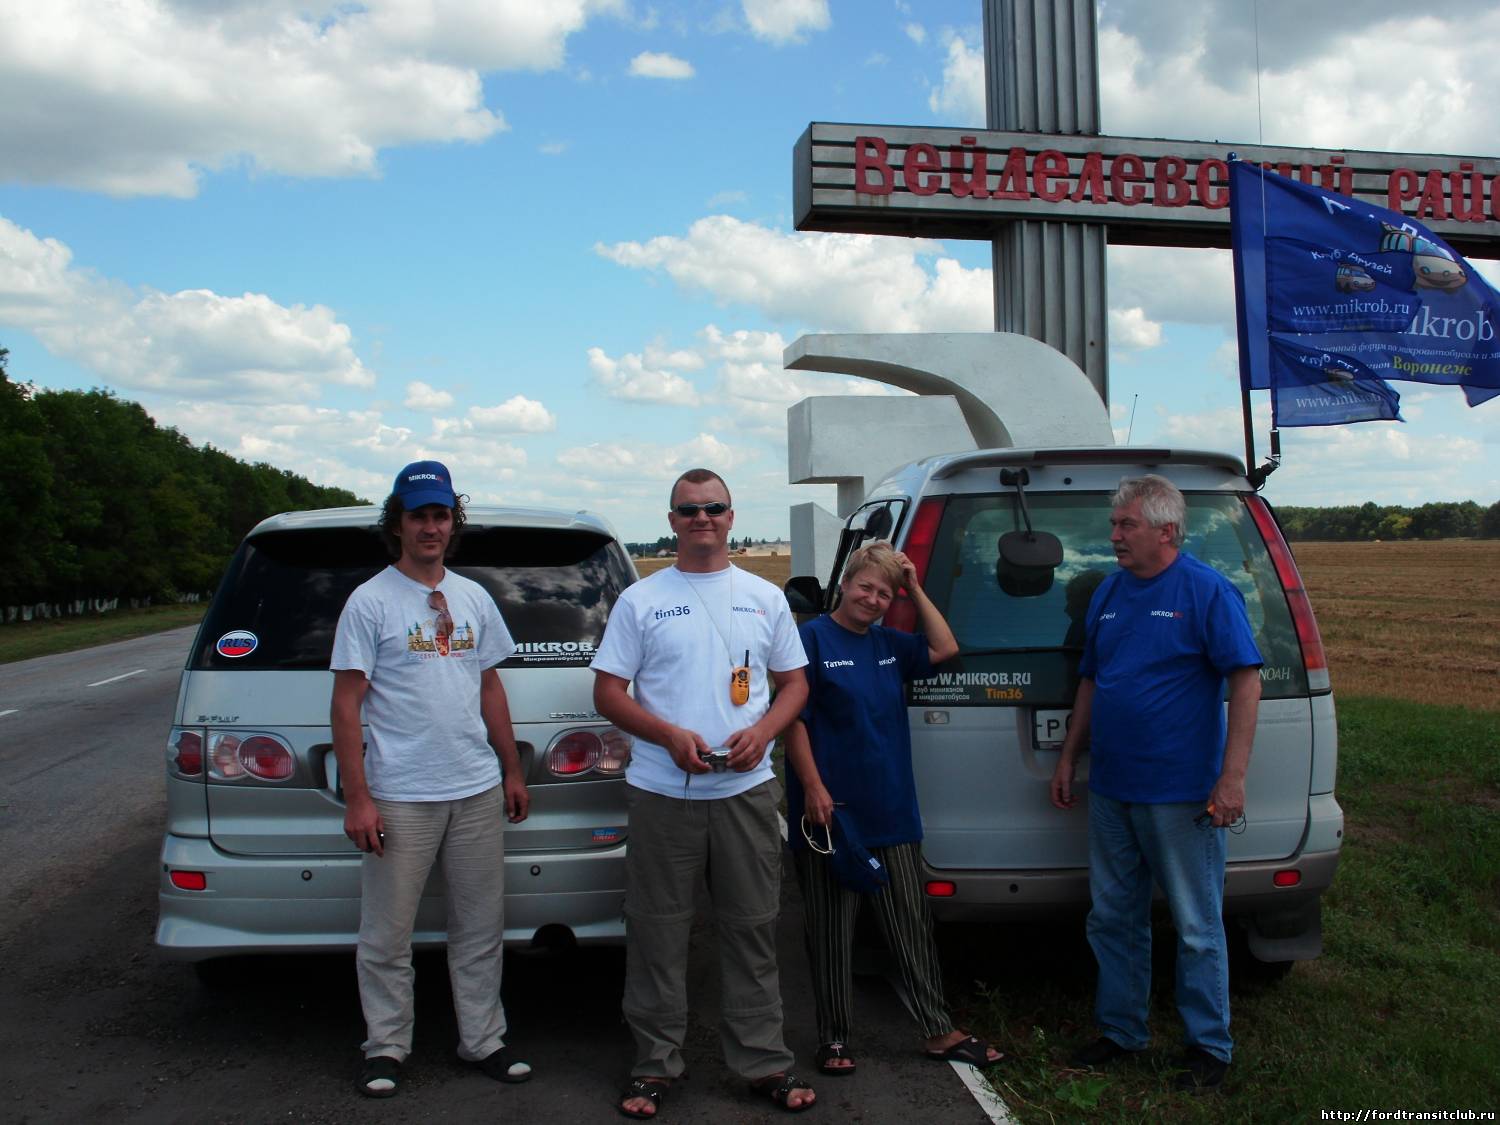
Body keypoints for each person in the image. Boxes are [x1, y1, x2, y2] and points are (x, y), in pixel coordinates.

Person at [592, 469, 816, 1118]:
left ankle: (764, 1061)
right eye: (689, 509)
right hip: (664, 792)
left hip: (746, 791)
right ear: (672, 520)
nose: (703, 518)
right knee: (658, 933)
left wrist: (763, 733)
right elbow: (607, 692)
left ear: (731, 515)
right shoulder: (641, 600)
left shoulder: (763, 597)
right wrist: (666, 734)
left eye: (714, 507)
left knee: (752, 929)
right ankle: (654, 1065)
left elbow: (795, 685)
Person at [1049, 474, 1262, 1094]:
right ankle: (1121, 1031)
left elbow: (1245, 681)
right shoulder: (1110, 592)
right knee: (1113, 916)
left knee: (1196, 926)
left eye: (1127, 526)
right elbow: (1092, 680)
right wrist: (1070, 757)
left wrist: (1232, 779)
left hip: (1181, 792)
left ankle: (1209, 1047)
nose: (1114, 536)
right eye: (1114, 525)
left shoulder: (1206, 591)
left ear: (1167, 531)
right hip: (1113, 787)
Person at [330, 460, 532, 1099]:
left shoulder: (473, 598)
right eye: (418, 515)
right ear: (397, 523)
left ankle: (484, 1039)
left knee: (479, 928)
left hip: (475, 789)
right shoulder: (370, 601)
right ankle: (386, 1047)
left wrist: (511, 769)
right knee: (387, 935)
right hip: (400, 796)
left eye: (440, 515)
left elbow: (489, 686)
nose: (430, 527)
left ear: (452, 522)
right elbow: (346, 705)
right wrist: (358, 798)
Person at [785, 541, 1004, 1075]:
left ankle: (938, 1030)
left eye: (885, 594)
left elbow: (945, 647)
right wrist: (812, 787)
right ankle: (834, 1038)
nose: (873, 599)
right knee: (832, 932)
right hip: (831, 814)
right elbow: (793, 720)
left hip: (892, 808)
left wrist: (914, 588)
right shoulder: (811, 639)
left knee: (910, 924)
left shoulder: (889, 644)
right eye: (865, 587)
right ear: (844, 585)